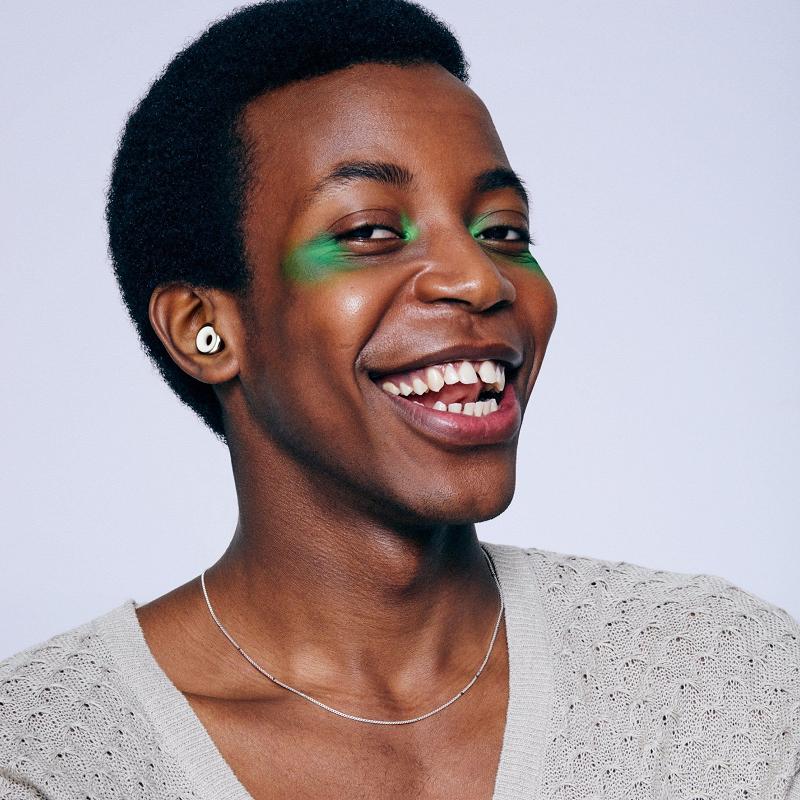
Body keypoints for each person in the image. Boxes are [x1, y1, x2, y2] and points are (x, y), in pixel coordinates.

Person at [1, 1, 798, 798]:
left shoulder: (727, 684)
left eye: (503, 231)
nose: (480, 279)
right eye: (370, 232)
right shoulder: (40, 762)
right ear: (205, 329)